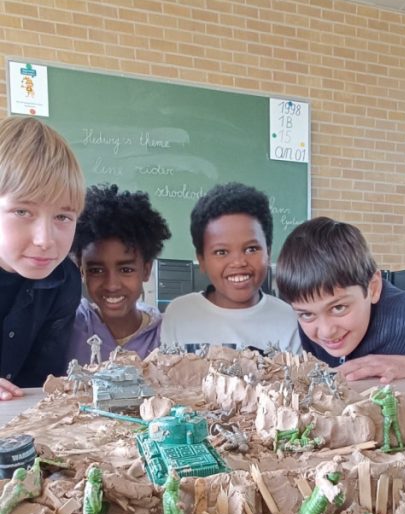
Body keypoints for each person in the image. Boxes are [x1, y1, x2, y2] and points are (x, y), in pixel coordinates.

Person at [276, 216, 405, 381]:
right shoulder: (311, 327)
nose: (326, 332)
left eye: (339, 308)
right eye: (307, 314)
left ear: (373, 288)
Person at [0, 116, 85, 399]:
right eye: (23, 212)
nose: (45, 240)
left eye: (62, 216)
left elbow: (40, 384)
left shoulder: (65, 280)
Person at [161, 182, 300, 353]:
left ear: (268, 253)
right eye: (221, 252)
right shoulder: (180, 314)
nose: (238, 262)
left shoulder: (288, 318)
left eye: (251, 249)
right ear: (202, 260)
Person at [68, 184, 171, 365]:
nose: (112, 285)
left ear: (146, 270)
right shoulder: (68, 328)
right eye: (96, 270)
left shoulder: (166, 335)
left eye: (126, 270)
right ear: (81, 270)